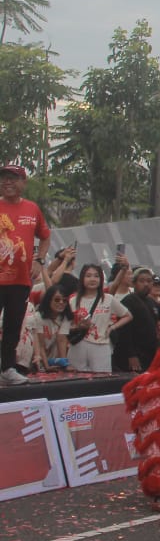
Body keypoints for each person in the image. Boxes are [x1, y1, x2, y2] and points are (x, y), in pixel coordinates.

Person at [0, 163, 50, 385]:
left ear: (23, 183)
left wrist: (39, 260)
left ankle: (7, 369)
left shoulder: (32, 209)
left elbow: (45, 236)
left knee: (13, 325)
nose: (7, 182)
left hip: (20, 280)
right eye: (3, 178)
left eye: (13, 178)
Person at [67, 263, 131, 373]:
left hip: (101, 345)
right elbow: (66, 325)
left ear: (101, 279)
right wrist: (78, 326)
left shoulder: (108, 299)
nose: (92, 279)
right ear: (82, 278)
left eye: (96, 276)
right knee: (76, 379)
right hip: (78, 345)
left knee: (101, 379)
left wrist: (112, 327)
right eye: (88, 276)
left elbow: (128, 316)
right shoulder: (73, 300)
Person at [112, 267, 160, 372]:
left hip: (149, 354)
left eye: (149, 281)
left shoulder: (150, 301)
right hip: (134, 355)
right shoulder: (129, 301)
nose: (146, 284)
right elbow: (124, 331)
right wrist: (131, 355)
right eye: (142, 281)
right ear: (134, 284)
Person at [18, 286, 72, 372]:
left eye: (64, 300)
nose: (61, 303)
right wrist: (47, 367)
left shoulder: (66, 317)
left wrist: (64, 364)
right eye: (57, 300)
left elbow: (61, 340)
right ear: (48, 300)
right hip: (35, 356)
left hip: (52, 357)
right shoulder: (38, 317)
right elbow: (40, 345)